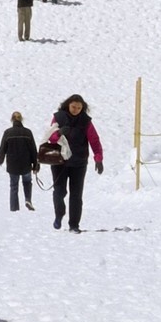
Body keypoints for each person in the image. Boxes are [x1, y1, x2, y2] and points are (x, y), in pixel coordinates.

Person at [45, 96, 102, 231]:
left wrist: (98, 159)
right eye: (73, 107)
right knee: (59, 191)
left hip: (79, 163)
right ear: (68, 105)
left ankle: (74, 225)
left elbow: (94, 140)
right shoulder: (58, 118)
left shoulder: (86, 121)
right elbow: (50, 137)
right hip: (59, 161)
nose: (76, 110)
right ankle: (59, 214)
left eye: (79, 108)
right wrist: (59, 133)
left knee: (76, 195)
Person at [0, 111, 38, 210]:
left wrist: (0, 159)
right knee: (27, 182)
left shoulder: (8, 133)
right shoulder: (28, 132)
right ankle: (28, 199)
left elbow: (3, 148)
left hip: (12, 164)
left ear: (12, 120)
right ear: (21, 119)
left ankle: (14, 208)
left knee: (14, 185)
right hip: (26, 164)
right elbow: (33, 149)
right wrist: (36, 164)